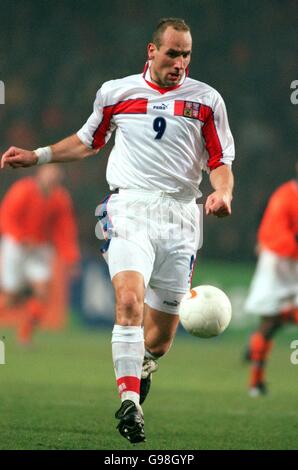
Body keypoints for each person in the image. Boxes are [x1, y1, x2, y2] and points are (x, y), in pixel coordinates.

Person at [1, 18, 235, 443]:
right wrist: (37, 157)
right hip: (130, 207)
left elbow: (220, 162)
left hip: (182, 216)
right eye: (172, 53)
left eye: (186, 54)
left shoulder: (207, 101)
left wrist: (222, 194)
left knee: (160, 340)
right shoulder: (117, 92)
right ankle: (130, 403)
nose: (179, 62)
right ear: (151, 50)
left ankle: (144, 362)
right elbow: (87, 141)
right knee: (128, 300)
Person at [0, 165, 80, 345]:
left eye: (56, 177)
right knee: (11, 297)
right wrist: (20, 237)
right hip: (15, 245)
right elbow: (6, 216)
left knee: (43, 292)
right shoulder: (23, 190)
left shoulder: (60, 198)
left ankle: (24, 335)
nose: (52, 179)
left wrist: (71, 258)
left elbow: (65, 230)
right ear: (40, 175)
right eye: (49, 175)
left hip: (39, 248)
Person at [244, 164, 298, 397]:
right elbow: (276, 236)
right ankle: (256, 382)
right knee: (269, 322)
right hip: (278, 262)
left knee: (272, 322)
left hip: (289, 258)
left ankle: (255, 370)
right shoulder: (285, 196)